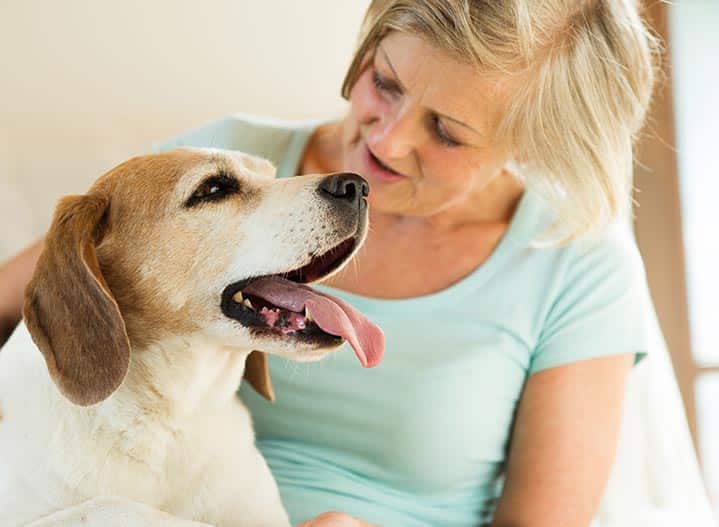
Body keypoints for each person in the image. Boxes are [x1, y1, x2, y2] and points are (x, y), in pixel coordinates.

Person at [0, 1, 661, 526]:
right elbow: (53, 284)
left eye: (447, 131)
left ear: (532, 144)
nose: (386, 138)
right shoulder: (232, 158)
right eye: (386, 83)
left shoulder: (577, 266)